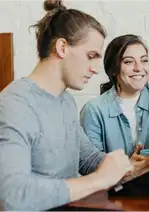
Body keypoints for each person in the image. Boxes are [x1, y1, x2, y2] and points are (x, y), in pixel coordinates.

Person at [0, 1, 134, 211]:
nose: (95, 69)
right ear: (62, 48)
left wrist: (131, 168)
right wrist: (98, 180)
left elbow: (87, 158)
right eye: (91, 56)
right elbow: (14, 195)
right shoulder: (14, 105)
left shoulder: (66, 100)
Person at [80, 34, 149, 160]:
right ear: (113, 69)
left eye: (144, 60)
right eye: (129, 62)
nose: (139, 68)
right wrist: (130, 165)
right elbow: (92, 165)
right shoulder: (93, 110)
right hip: (117, 180)